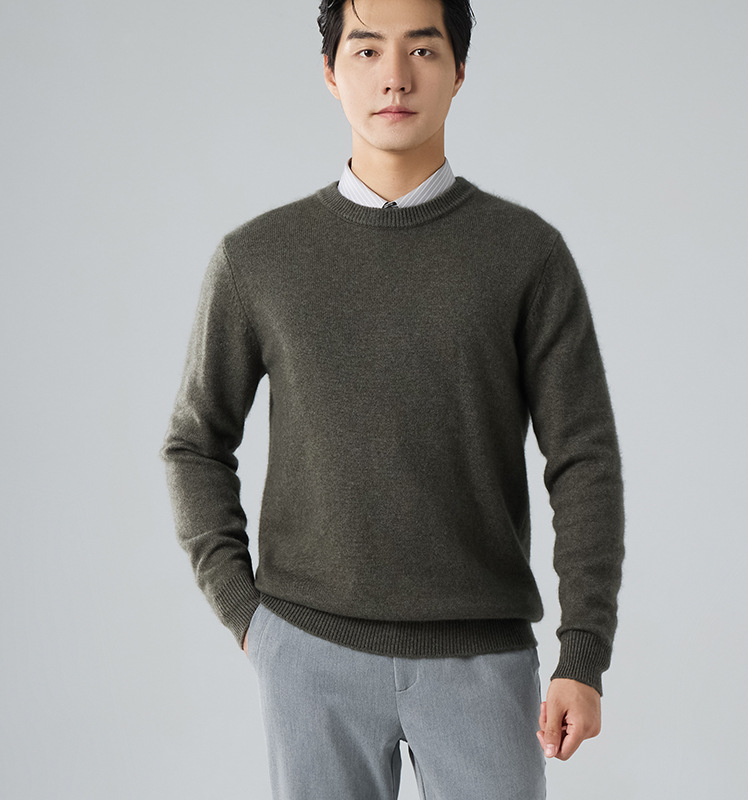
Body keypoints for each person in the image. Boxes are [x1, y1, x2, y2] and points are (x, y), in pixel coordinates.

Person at [160, 0, 625, 797]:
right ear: (330, 71)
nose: (396, 78)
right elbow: (195, 443)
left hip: (482, 658)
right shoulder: (257, 259)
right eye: (368, 50)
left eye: (424, 49)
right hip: (309, 651)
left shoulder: (526, 255)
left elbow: (583, 459)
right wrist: (246, 614)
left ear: (460, 70)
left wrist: (583, 652)